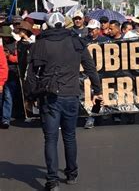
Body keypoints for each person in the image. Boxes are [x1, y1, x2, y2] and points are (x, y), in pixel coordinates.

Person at [25, 12, 102, 190]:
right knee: (69, 136)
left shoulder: (40, 44)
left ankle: (52, 181)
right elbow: (91, 68)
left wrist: (30, 98)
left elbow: (30, 75)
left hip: (49, 96)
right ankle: (71, 174)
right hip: (71, 95)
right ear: (64, 25)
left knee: (50, 139)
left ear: (48, 26)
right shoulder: (76, 42)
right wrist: (97, 91)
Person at [0, 27, 11, 128]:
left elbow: (3, 67)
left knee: (7, 97)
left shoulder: (13, 44)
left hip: (9, 75)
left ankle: (5, 119)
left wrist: (1, 83)